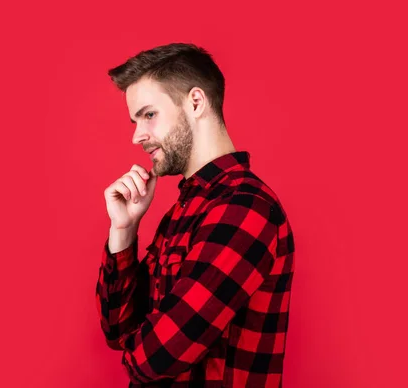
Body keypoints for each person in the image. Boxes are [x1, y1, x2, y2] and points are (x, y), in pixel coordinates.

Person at [96, 43, 295, 387]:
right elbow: (117, 330)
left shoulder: (244, 208)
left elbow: (155, 357)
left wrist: (139, 341)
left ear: (196, 102)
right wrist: (123, 230)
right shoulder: (184, 212)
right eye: (135, 120)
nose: (137, 136)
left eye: (149, 115)